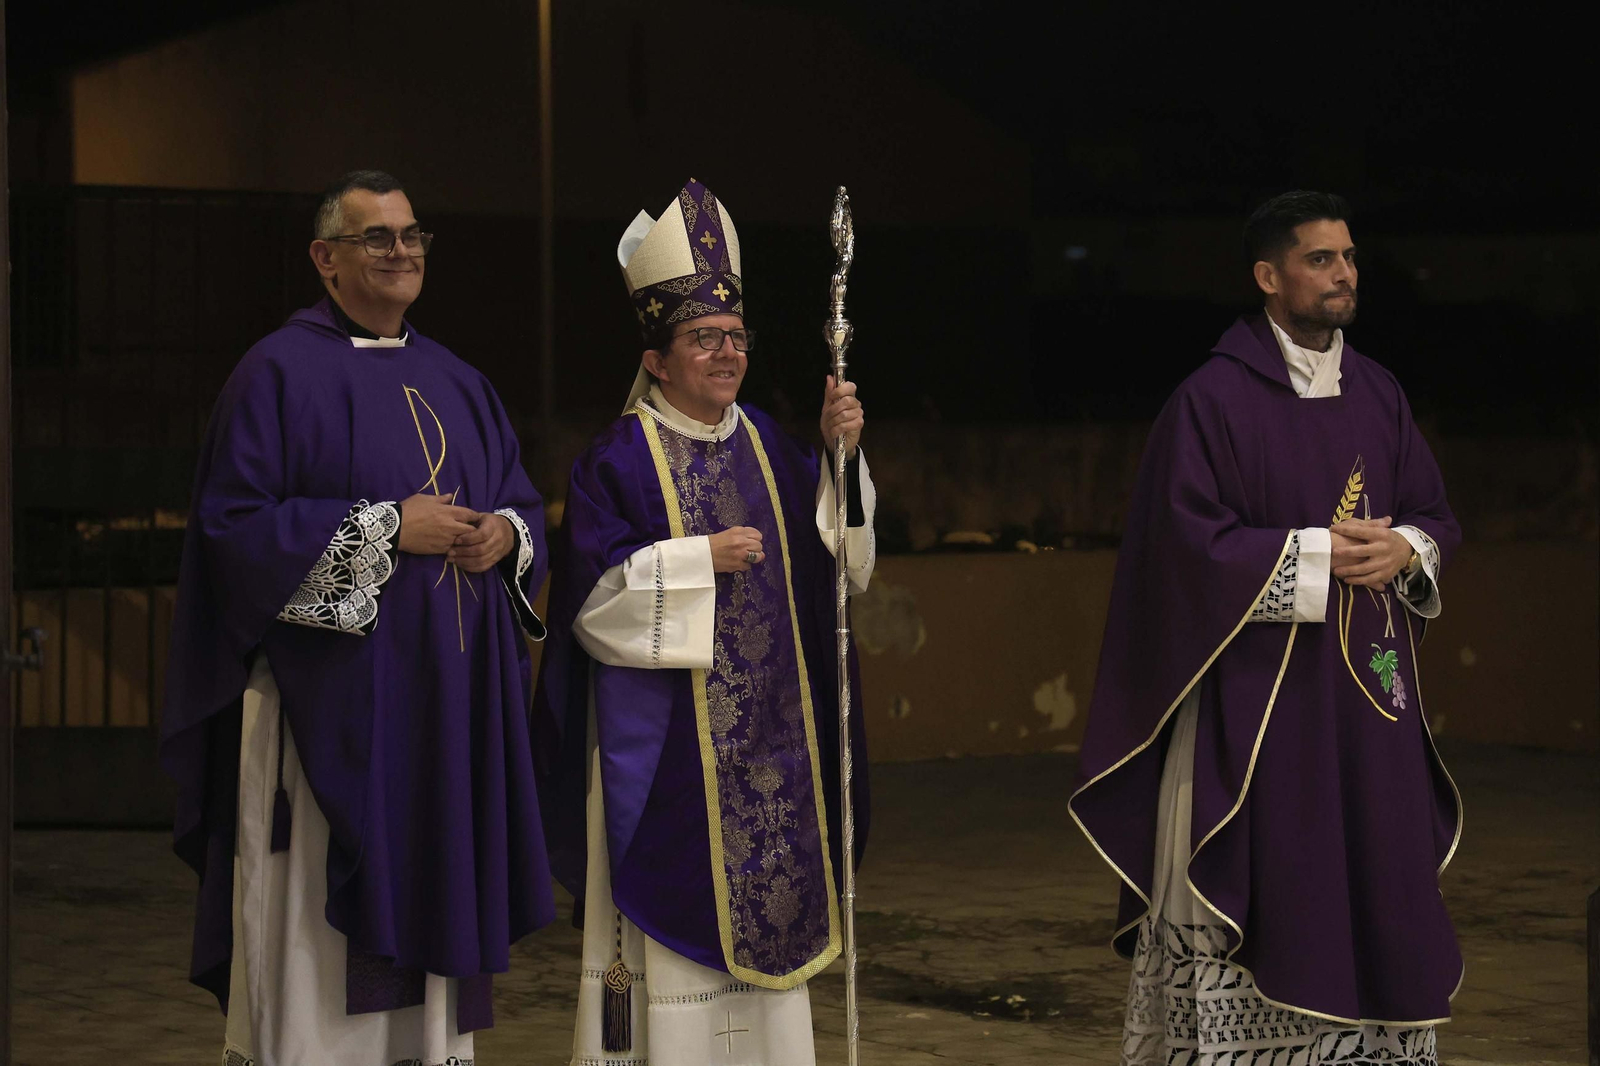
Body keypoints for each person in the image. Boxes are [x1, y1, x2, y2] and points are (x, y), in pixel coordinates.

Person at [159, 169, 553, 1065]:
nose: (402, 252)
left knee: (430, 939)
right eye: (377, 237)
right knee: (321, 948)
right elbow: (233, 531)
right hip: (330, 714)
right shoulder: (276, 373)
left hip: (442, 722)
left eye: (413, 235)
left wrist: (505, 537)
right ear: (325, 258)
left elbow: (524, 507)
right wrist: (385, 528)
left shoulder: (461, 380)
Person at [1070, 190, 1462, 1066]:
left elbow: (1434, 513)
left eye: (1349, 257)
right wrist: (1321, 554)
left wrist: (1404, 546)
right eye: (1321, 260)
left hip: (1366, 697)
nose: (1343, 275)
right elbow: (1183, 547)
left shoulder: (1380, 392)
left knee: (1373, 875)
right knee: (1278, 871)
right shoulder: (1212, 398)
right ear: (1268, 276)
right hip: (1258, 699)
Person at [532, 178, 876, 1066]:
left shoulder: (771, 444)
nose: (725, 355)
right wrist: (695, 563)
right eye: (702, 339)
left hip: (775, 751)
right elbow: (590, 610)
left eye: (736, 338)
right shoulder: (615, 462)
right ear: (656, 357)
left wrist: (844, 460)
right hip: (669, 758)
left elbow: (844, 565)